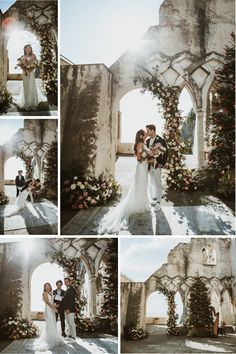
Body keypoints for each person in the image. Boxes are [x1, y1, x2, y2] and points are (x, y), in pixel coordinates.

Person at [98, 129, 150, 234]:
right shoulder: (140, 144)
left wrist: (150, 155)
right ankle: (137, 204)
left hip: (143, 168)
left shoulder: (142, 143)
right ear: (141, 136)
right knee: (139, 185)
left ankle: (141, 203)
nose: (146, 135)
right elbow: (139, 159)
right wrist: (149, 158)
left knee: (143, 185)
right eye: (145, 134)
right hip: (141, 167)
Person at [26, 283, 64, 351]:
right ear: (44, 287)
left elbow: (52, 302)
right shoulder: (44, 293)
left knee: (53, 323)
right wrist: (54, 308)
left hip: (51, 309)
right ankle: (49, 338)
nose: (47, 287)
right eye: (45, 286)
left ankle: (54, 337)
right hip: (48, 309)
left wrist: (55, 306)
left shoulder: (50, 293)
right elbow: (47, 302)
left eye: (48, 286)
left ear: (50, 287)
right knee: (49, 323)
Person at [16, 44, 46, 110]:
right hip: (25, 73)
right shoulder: (22, 57)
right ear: (25, 49)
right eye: (28, 48)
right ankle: (26, 104)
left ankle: (32, 104)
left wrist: (29, 70)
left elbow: (35, 65)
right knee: (26, 87)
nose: (30, 49)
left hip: (31, 73)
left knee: (32, 87)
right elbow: (21, 65)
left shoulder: (33, 55)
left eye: (30, 48)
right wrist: (25, 70)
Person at [146, 124, 168, 210]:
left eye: (148, 130)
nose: (147, 132)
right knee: (151, 182)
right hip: (149, 165)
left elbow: (166, 153)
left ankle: (159, 202)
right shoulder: (147, 141)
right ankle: (153, 199)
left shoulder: (161, 140)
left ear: (153, 130)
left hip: (157, 165)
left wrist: (161, 163)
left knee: (158, 183)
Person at [64, 278, 77, 343]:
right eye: (65, 282)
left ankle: (73, 338)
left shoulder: (71, 289)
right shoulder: (68, 289)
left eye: (67, 282)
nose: (65, 283)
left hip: (70, 310)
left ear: (70, 282)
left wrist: (68, 309)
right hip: (66, 309)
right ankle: (69, 336)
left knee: (71, 324)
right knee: (68, 323)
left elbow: (71, 301)